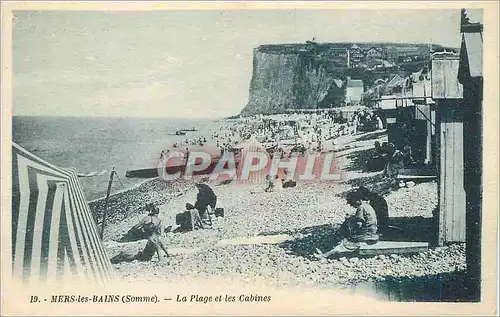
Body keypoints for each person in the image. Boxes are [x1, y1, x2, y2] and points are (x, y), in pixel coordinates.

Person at [315, 192, 378, 259]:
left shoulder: (361, 208)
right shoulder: (367, 206)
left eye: (351, 202)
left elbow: (359, 224)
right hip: (373, 233)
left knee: (343, 242)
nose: (351, 205)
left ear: (357, 200)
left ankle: (324, 255)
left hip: (367, 235)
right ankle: (327, 251)